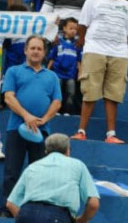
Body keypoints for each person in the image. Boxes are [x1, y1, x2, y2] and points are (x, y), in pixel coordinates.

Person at [71, 0, 128, 144]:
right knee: (90, 92)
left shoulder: (127, 6)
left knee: (113, 94)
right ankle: (81, 131)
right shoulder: (93, 0)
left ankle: (111, 134)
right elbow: (82, 25)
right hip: (95, 50)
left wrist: (121, 48)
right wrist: (85, 44)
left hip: (119, 53)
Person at [1, 36, 62, 214]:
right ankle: (6, 209)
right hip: (16, 129)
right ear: (25, 50)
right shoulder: (14, 71)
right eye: (32, 48)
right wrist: (27, 116)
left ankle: (33, 211)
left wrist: (44, 119)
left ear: (44, 53)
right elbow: (8, 98)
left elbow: (57, 102)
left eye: (39, 49)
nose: (35, 51)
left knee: (39, 173)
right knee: (12, 171)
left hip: (41, 131)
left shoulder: (51, 76)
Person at [5, 134, 99, 223]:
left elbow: (10, 203)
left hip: (27, 213)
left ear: (46, 151)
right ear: (68, 150)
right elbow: (93, 204)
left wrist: (23, 218)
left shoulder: (32, 167)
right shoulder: (78, 165)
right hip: (58, 216)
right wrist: (82, 220)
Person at [47, 18, 83, 115]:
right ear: (64, 28)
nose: (73, 31)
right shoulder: (58, 43)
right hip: (58, 74)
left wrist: (80, 72)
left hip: (71, 75)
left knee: (71, 93)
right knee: (57, 93)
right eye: (71, 28)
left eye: (75, 29)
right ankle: (56, 110)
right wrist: (47, 70)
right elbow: (52, 58)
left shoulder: (77, 45)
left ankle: (67, 110)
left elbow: (79, 61)